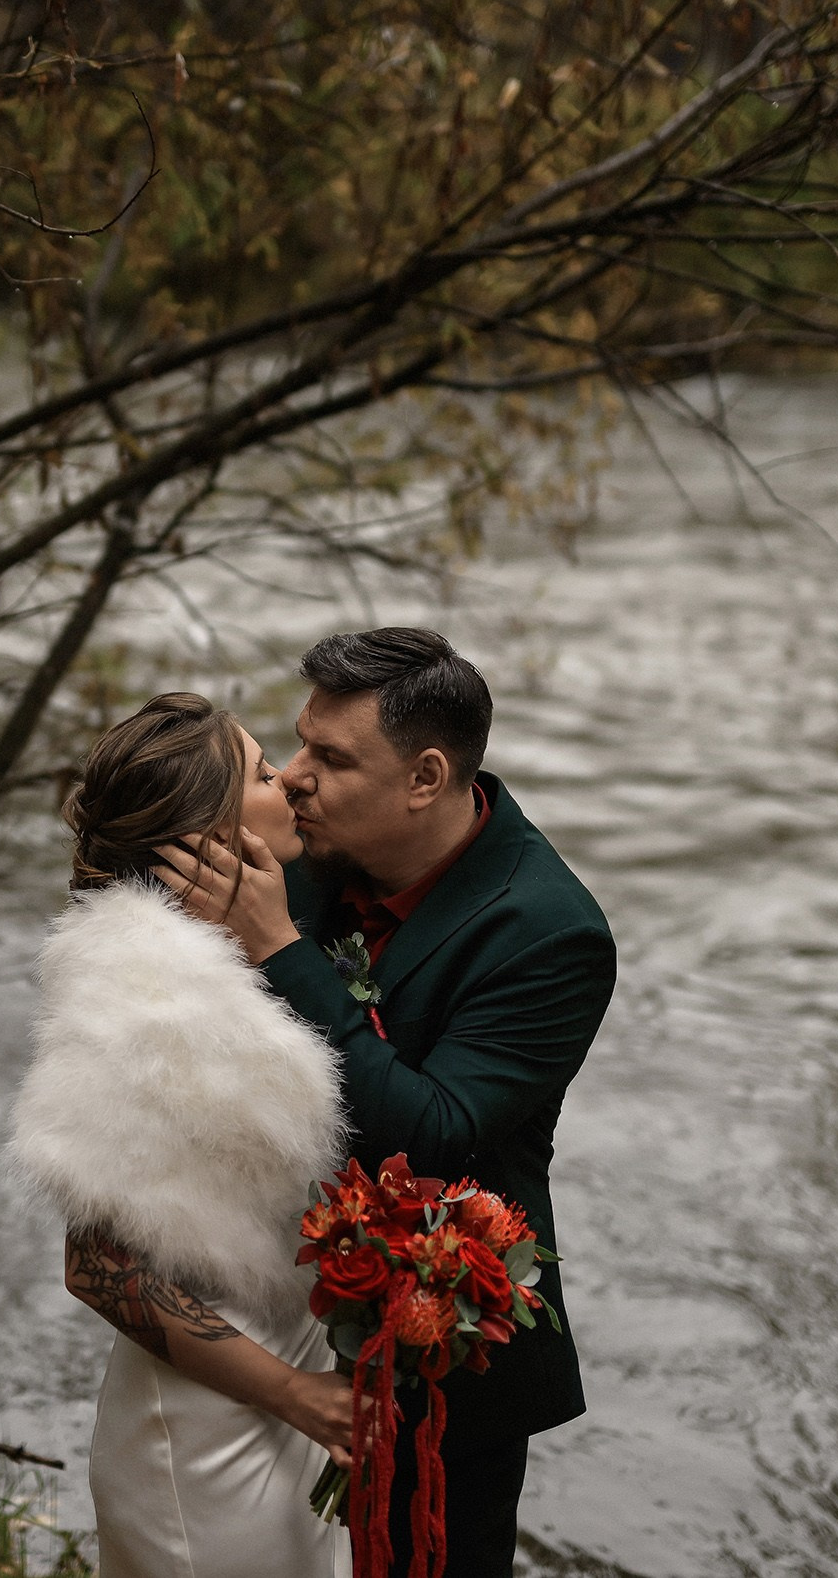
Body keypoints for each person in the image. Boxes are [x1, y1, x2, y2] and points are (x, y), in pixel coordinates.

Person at [155, 628, 617, 1578]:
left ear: (426, 776)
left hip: (441, 1350)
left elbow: (437, 1137)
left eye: (331, 757)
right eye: (296, 744)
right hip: (269, 1324)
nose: (293, 777)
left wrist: (280, 953)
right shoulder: (302, 851)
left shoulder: (549, 931)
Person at [7, 693, 356, 1578]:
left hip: (285, 1394)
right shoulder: (145, 996)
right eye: (267, 775)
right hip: (203, 1429)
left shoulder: (243, 951)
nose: (293, 786)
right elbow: (95, 1267)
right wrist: (302, 1398)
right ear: (210, 833)